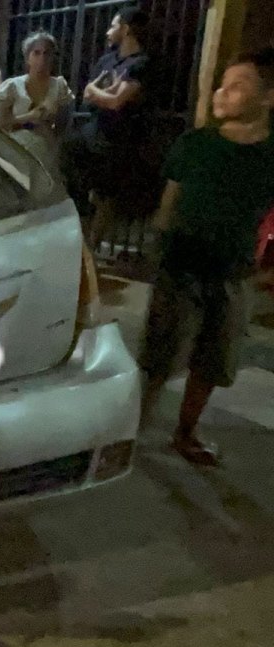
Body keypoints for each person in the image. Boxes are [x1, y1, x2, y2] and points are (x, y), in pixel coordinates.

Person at [138, 48, 274, 467]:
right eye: (222, 85)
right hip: (181, 264)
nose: (222, 93)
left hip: (231, 269)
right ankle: (133, 427)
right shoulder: (195, 144)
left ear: (268, 98)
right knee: (160, 354)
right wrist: (159, 249)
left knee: (214, 359)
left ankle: (185, 431)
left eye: (238, 86)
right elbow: (169, 204)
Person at [61, 7, 160, 249]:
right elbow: (88, 96)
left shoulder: (141, 63)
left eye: (113, 26)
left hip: (119, 137)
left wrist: (98, 92)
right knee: (76, 181)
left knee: (106, 194)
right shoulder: (107, 61)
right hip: (94, 131)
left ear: (125, 29)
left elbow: (116, 101)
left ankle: (91, 247)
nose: (108, 32)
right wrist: (102, 93)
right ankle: (80, 242)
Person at [0, 31, 73, 173]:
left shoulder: (59, 87)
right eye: (36, 53)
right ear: (27, 58)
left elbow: (62, 127)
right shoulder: (12, 86)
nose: (42, 58)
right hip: (15, 148)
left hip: (46, 151)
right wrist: (28, 117)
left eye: (47, 53)